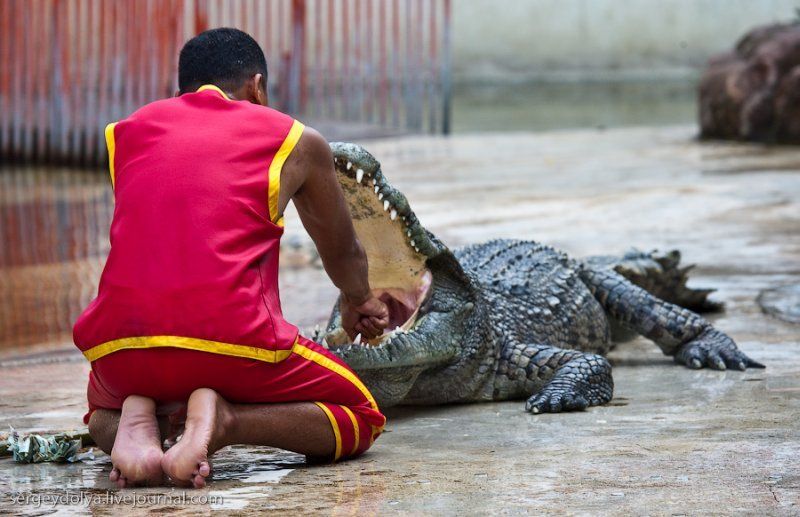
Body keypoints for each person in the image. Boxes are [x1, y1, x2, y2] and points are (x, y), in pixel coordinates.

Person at [72, 28, 390, 488]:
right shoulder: (294, 138)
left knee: (102, 415)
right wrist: (360, 299)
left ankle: (138, 421)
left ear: (175, 91)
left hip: (122, 350)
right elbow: (341, 250)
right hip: (235, 341)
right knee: (362, 415)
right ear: (257, 87)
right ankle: (225, 422)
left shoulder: (126, 133)